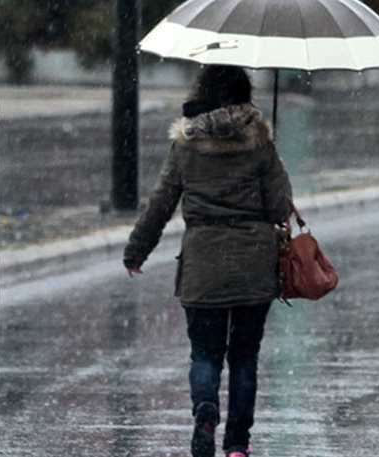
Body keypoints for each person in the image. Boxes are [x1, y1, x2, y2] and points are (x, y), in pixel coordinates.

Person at [123, 65, 292, 457]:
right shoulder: (260, 142)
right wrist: (272, 159)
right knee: (245, 357)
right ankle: (237, 444)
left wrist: (136, 250)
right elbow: (280, 207)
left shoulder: (187, 143)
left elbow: (161, 203)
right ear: (244, 95)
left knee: (205, 354)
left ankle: (205, 409)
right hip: (253, 263)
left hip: (203, 264)